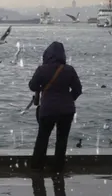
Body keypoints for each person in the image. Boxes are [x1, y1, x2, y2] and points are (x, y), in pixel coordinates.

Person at [28, 41, 82, 172]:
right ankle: (58, 167)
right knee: (62, 139)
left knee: (43, 138)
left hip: (48, 110)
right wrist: (69, 99)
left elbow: (32, 86)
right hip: (67, 111)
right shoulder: (69, 70)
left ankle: (37, 166)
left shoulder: (42, 69)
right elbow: (78, 89)